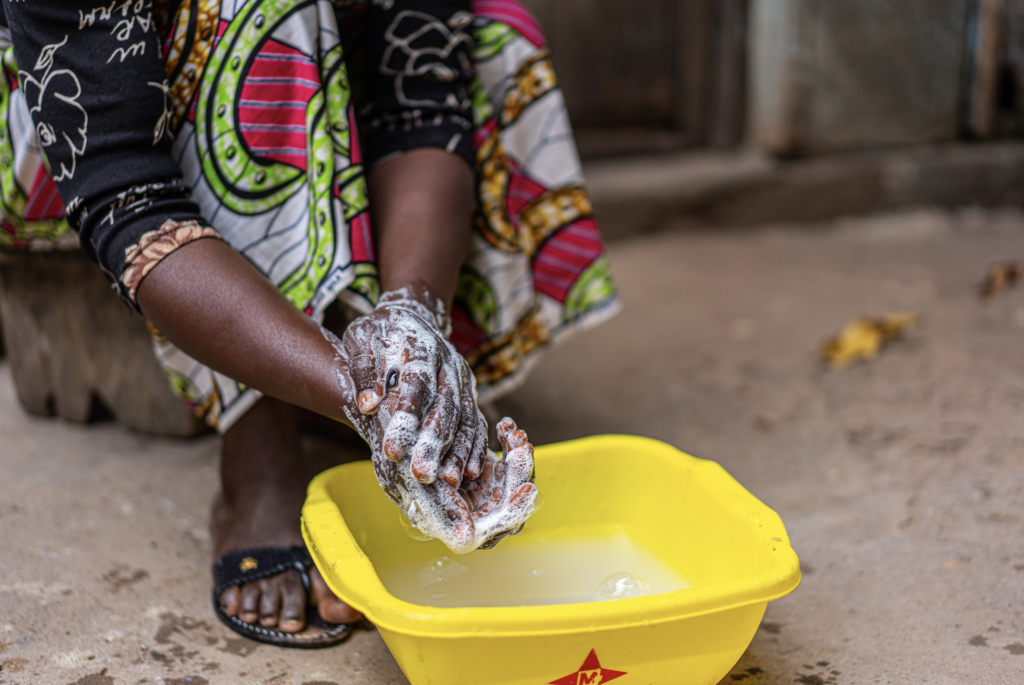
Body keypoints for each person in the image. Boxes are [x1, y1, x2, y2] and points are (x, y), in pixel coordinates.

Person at [0, 0, 619, 647]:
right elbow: (124, 193)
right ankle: (260, 438)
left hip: (313, 80)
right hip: (58, 130)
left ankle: (390, 357)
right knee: (265, 15)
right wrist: (359, 393)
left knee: (491, 25)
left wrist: (412, 326)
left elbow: (420, 96)